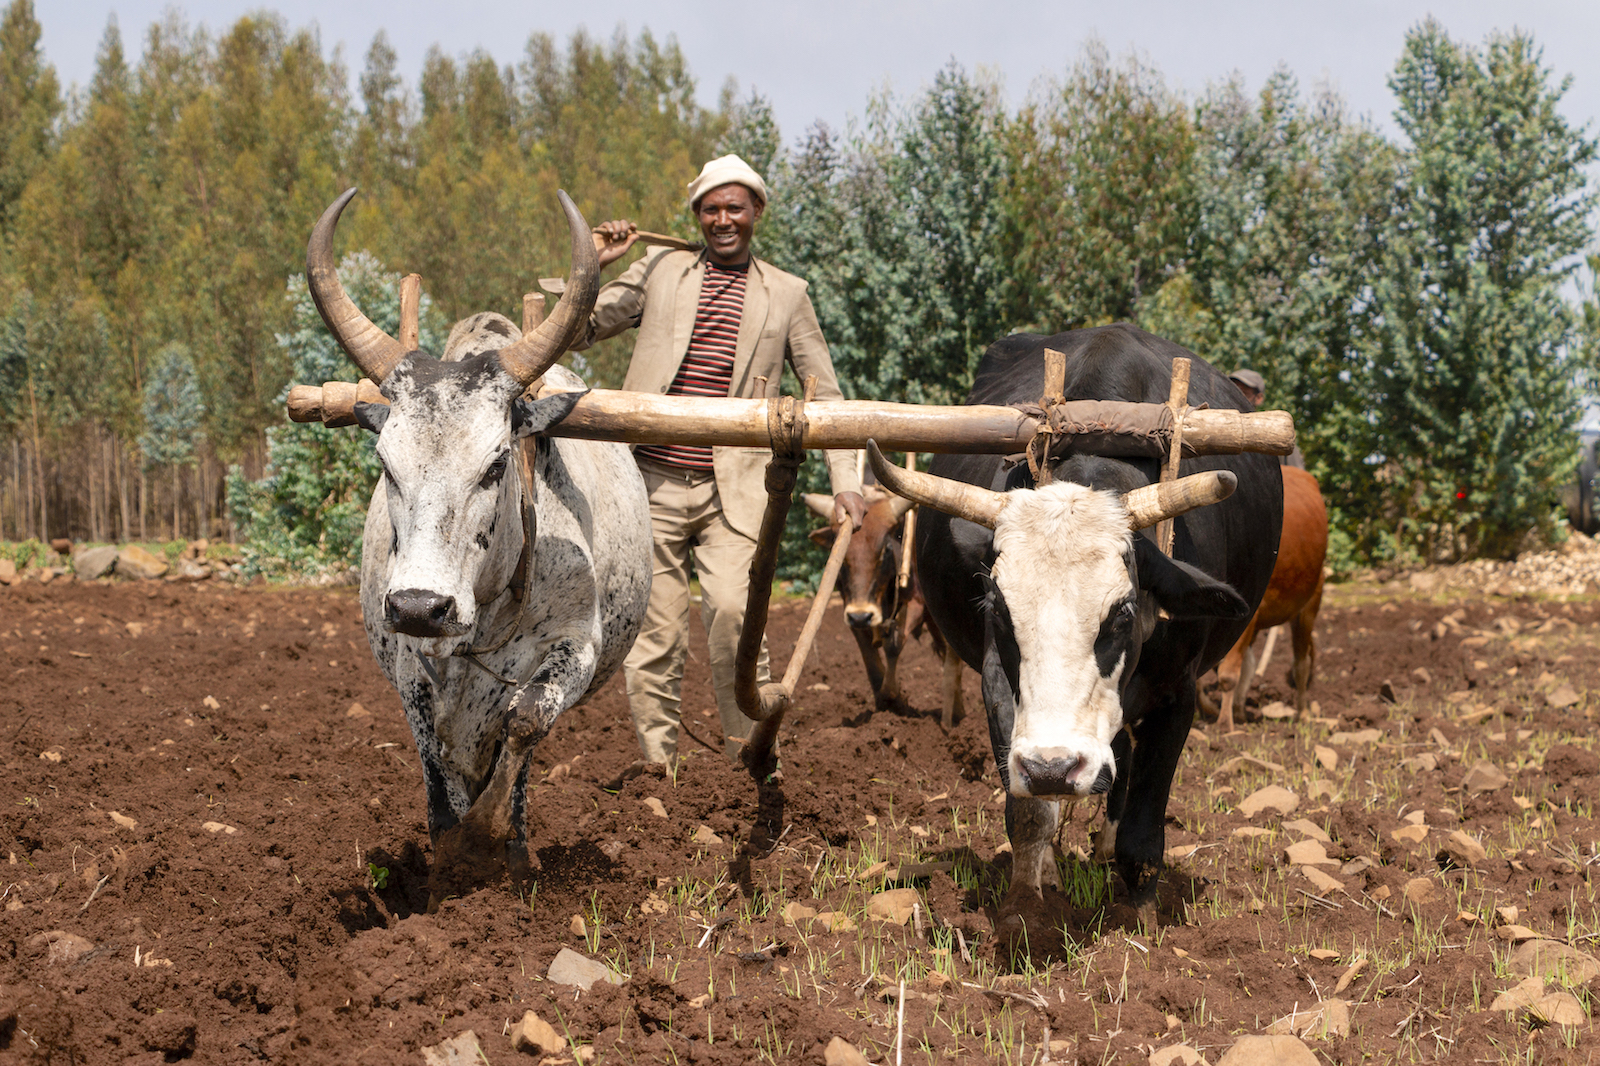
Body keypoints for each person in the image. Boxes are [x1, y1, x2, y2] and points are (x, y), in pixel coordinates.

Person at [573, 154, 866, 770]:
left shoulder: (786, 293)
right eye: (711, 209)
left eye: (735, 207)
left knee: (736, 616)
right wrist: (593, 266)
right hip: (647, 481)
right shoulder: (661, 268)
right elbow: (579, 330)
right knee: (652, 637)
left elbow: (827, 392)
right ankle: (660, 769)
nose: (723, 220)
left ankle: (745, 764)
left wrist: (848, 483)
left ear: (757, 211)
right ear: (697, 216)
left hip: (733, 489)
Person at [1229, 367, 1305, 469]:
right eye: (1231, 392)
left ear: (1259, 398)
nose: (1236, 398)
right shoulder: (1215, 430)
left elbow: (1297, 479)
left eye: (1243, 393)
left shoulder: (1277, 435)